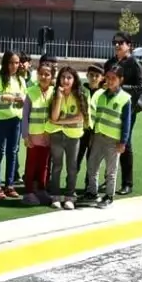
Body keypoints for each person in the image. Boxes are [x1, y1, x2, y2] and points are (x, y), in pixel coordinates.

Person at [103, 32, 142, 195]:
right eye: (115, 42)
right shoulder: (111, 62)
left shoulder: (135, 63)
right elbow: (104, 80)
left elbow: (141, 87)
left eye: (121, 42)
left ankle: (127, 183)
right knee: (108, 141)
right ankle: (108, 180)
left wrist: (120, 89)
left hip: (128, 107)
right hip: (110, 107)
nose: (117, 45)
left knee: (125, 143)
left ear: (129, 45)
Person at [84, 63, 133, 208]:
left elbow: (126, 123)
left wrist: (123, 142)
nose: (110, 81)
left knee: (111, 170)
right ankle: (92, 192)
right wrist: (93, 134)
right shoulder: (101, 96)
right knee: (92, 166)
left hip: (113, 140)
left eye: (114, 78)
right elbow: (97, 116)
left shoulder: (125, 99)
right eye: (108, 78)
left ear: (120, 80)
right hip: (98, 136)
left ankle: (109, 196)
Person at [45, 66, 88, 210]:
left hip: (73, 136)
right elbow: (54, 116)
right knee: (56, 166)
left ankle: (70, 197)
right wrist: (59, 97)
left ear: (74, 80)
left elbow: (80, 117)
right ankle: (55, 196)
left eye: (69, 77)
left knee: (72, 167)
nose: (65, 80)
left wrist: (60, 121)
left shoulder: (80, 95)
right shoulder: (55, 93)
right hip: (56, 135)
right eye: (63, 77)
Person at [0, 51, 26, 199]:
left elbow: (24, 99)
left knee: (12, 153)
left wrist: (21, 101)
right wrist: (2, 97)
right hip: (1, 120)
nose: (14, 66)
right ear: (5, 63)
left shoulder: (21, 80)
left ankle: (9, 185)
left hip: (16, 120)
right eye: (11, 62)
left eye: (16, 63)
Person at [21, 61, 56, 204]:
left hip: (47, 136)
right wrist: (25, 135)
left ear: (52, 77)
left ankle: (42, 190)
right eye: (41, 74)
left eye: (47, 74)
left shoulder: (55, 93)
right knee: (31, 165)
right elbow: (25, 116)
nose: (43, 77)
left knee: (44, 165)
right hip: (33, 137)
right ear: (37, 75)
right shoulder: (31, 92)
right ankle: (29, 192)